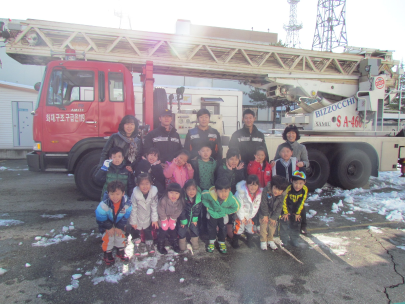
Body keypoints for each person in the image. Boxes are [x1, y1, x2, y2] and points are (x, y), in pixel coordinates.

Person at [95, 181, 132, 266]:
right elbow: (100, 217)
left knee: (121, 236)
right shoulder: (104, 204)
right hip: (107, 224)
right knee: (109, 238)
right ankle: (107, 253)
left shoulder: (127, 203)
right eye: (112, 194)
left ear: (123, 193)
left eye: (117, 194)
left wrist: (119, 226)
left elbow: (126, 215)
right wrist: (109, 227)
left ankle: (120, 251)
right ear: (108, 194)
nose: (115, 197)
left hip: (119, 223)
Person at [202, 177, 240, 254]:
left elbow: (237, 206)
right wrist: (209, 207)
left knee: (223, 229)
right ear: (216, 190)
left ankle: (221, 242)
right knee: (211, 228)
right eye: (221, 191)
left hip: (222, 216)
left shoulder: (231, 199)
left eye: (226, 191)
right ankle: (211, 242)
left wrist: (225, 211)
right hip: (212, 214)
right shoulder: (210, 194)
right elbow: (203, 196)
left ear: (229, 189)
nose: (224, 194)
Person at [216, 148, 246, 239]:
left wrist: (238, 171)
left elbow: (241, 182)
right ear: (227, 159)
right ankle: (220, 230)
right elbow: (223, 182)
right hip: (223, 195)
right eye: (231, 159)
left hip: (233, 195)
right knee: (222, 212)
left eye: (236, 159)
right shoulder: (222, 168)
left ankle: (229, 229)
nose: (234, 162)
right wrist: (229, 172)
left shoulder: (239, 167)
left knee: (232, 213)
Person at [129, 173, 159, 256]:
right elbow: (133, 209)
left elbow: (154, 207)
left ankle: (149, 244)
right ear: (137, 185)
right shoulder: (135, 195)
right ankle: (136, 245)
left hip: (147, 216)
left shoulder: (153, 193)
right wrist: (133, 221)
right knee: (135, 231)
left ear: (151, 183)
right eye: (142, 184)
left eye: (147, 183)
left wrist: (154, 220)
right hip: (137, 216)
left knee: (148, 230)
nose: (145, 186)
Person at [258, 175, 290, 251]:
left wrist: (274, 217)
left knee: (272, 226)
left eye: (279, 190)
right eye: (275, 188)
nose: (276, 191)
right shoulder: (266, 190)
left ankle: (270, 239)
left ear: (283, 191)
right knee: (263, 225)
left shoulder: (282, 195)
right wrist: (265, 215)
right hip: (264, 212)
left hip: (273, 213)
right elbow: (263, 203)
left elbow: (279, 207)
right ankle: (263, 240)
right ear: (272, 186)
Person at [232, 175, 263, 249]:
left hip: (249, 215)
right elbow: (239, 206)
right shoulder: (240, 192)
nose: (253, 187)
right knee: (239, 228)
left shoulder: (258, 194)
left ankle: (249, 241)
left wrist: (250, 217)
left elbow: (256, 206)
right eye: (251, 185)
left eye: (255, 185)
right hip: (240, 215)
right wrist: (242, 218)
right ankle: (235, 241)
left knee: (250, 228)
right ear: (247, 185)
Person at [280, 171, 308, 248]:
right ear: (291, 181)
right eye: (295, 183)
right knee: (284, 222)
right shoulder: (288, 188)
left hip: (297, 208)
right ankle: (284, 239)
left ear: (304, 182)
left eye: (300, 183)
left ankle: (294, 238)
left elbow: (302, 202)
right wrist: (285, 212)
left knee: (296, 223)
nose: (297, 186)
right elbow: (284, 200)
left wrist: (298, 213)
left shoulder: (305, 189)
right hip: (287, 207)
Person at [157, 183, 185, 254]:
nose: (174, 195)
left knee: (173, 230)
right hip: (162, 218)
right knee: (163, 230)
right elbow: (160, 210)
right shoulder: (163, 200)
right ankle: (160, 245)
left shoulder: (180, 202)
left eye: (176, 193)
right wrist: (164, 220)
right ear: (167, 192)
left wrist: (173, 219)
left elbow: (179, 210)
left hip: (172, 218)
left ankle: (174, 243)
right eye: (171, 193)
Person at [178, 179, 202, 252]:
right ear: (185, 190)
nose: (191, 192)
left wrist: (194, 219)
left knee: (195, 228)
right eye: (189, 189)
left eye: (193, 189)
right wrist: (183, 220)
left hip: (193, 217)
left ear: (196, 189)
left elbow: (198, 210)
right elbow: (181, 209)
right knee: (182, 229)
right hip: (184, 217)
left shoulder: (198, 198)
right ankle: (182, 241)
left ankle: (194, 240)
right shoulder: (182, 198)